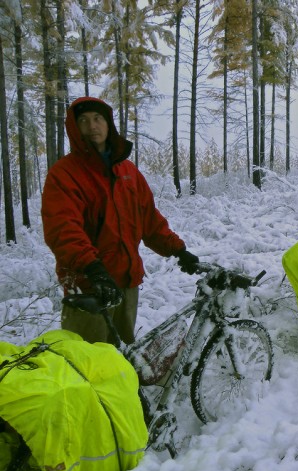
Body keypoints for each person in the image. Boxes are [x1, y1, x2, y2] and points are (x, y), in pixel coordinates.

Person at [41, 96, 200, 345]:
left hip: (126, 284)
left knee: (122, 354)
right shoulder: (65, 174)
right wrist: (92, 268)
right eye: (83, 121)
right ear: (74, 128)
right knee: (87, 362)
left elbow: (149, 219)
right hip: (89, 286)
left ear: (108, 124)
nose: (92, 126)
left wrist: (178, 249)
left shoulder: (128, 172)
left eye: (98, 119)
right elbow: (62, 229)